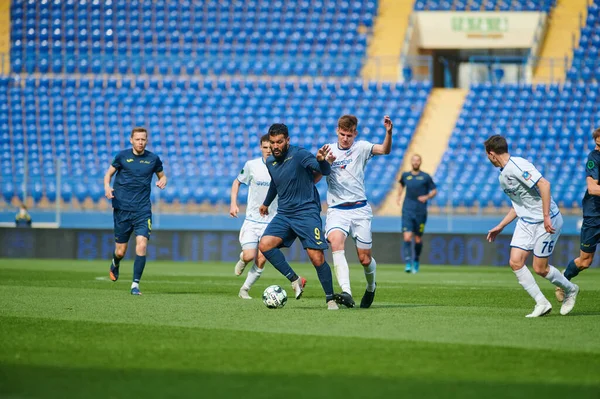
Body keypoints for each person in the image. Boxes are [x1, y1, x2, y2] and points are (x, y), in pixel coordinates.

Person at [484, 134, 578, 317]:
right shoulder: (503, 176)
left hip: (546, 221)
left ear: (492, 154)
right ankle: (541, 303)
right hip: (526, 221)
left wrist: (545, 217)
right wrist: (501, 225)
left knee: (540, 269)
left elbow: (545, 184)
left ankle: (571, 289)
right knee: (515, 262)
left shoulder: (518, 165)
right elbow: (519, 205)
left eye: (488, 156)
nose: (488, 159)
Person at [258, 123, 339, 310]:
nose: (276, 146)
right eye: (272, 142)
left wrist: (321, 160)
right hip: (285, 214)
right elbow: (275, 184)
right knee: (265, 245)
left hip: (306, 212)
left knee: (316, 257)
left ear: (287, 140)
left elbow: (325, 171)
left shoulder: (300, 154)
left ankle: (330, 299)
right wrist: (266, 203)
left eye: (279, 142)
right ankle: (295, 280)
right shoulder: (270, 162)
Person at [322, 114, 394, 309]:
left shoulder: (361, 147)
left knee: (364, 259)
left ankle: (371, 287)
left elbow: (385, 150)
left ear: (355, 133)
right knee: (336, 242)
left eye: (349, 135)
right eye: (342, 134)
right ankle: (346, 292)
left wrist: (389, 133)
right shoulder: (327, 150)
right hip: (337, 210)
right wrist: (324, 163)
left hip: (360, 210)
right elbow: (315, 176)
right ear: (337, 131)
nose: (345, 138)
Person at [103, 127, 167, 295]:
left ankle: (135, 285)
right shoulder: (121, 156)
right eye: (137, 139)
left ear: (146, 140)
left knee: (142, 244)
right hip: (122, 209)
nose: (140, 142)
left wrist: (163, 181)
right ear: (131, 140)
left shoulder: (153, 159)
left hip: (142, 210)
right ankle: (115, 262)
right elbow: (108, 174)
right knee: (120, 251)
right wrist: (106, 187)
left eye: (143, 139)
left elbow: (162, 175)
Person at [229, 134, 278, 299]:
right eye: (265, 147)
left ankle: (244, 289)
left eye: (270, 147)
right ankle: (243, 259)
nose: (268, 151)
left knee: (262, 257)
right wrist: (233, 204)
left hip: (271, 221)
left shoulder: (282, 166)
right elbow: (237, 182)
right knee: (250, 255)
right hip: (252, 220)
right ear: (261, 148)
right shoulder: (252, 165)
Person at [556, 127, 600, 302]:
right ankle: (563, 281)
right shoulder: (594, 158)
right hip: (595, 215)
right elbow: (593, 188)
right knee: (585, 261)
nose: (598, 147)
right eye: (597, 144)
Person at [396, 154, 437, 273]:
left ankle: (416, 260)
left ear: (420, 162)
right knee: (407, 236)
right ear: (411, 162)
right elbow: (401, 184)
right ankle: (408, 263)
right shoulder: (405, 176)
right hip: (407, 210)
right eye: (414, 160)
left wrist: (427, 196)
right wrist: (399, 196)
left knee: (418, 239)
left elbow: (434, 190)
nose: (415, 162)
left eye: (417, 160)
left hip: (420, 211)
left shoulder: (425, 177)